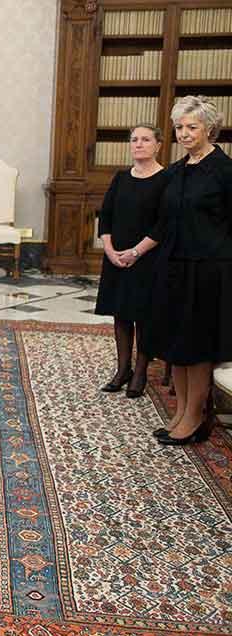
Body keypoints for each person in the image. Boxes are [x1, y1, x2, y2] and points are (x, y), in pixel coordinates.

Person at [121, 96, 231, 445]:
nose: (183, 134)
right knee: (176, 344)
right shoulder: (177, 170)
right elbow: (164, 222)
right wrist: (137, 251)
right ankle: (182, 411)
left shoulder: (225, 171)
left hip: (208, 270)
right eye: (179, 127)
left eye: (192, 127)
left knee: (197, 348)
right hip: (173, 268)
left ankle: (195, 418)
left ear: (210, 129)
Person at [94, 125, 170, 398]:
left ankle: (140, 373)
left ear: (158, 144)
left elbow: (164, 224)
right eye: (134, 139)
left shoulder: (166, 179)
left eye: (146, 139)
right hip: (116, 258)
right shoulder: (121, 178)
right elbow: (106, 216)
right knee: (121, 313)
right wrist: (111, 250)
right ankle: (122, 369)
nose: (139, 144)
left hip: (148, 258)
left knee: (144, 317)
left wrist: (136, 252)